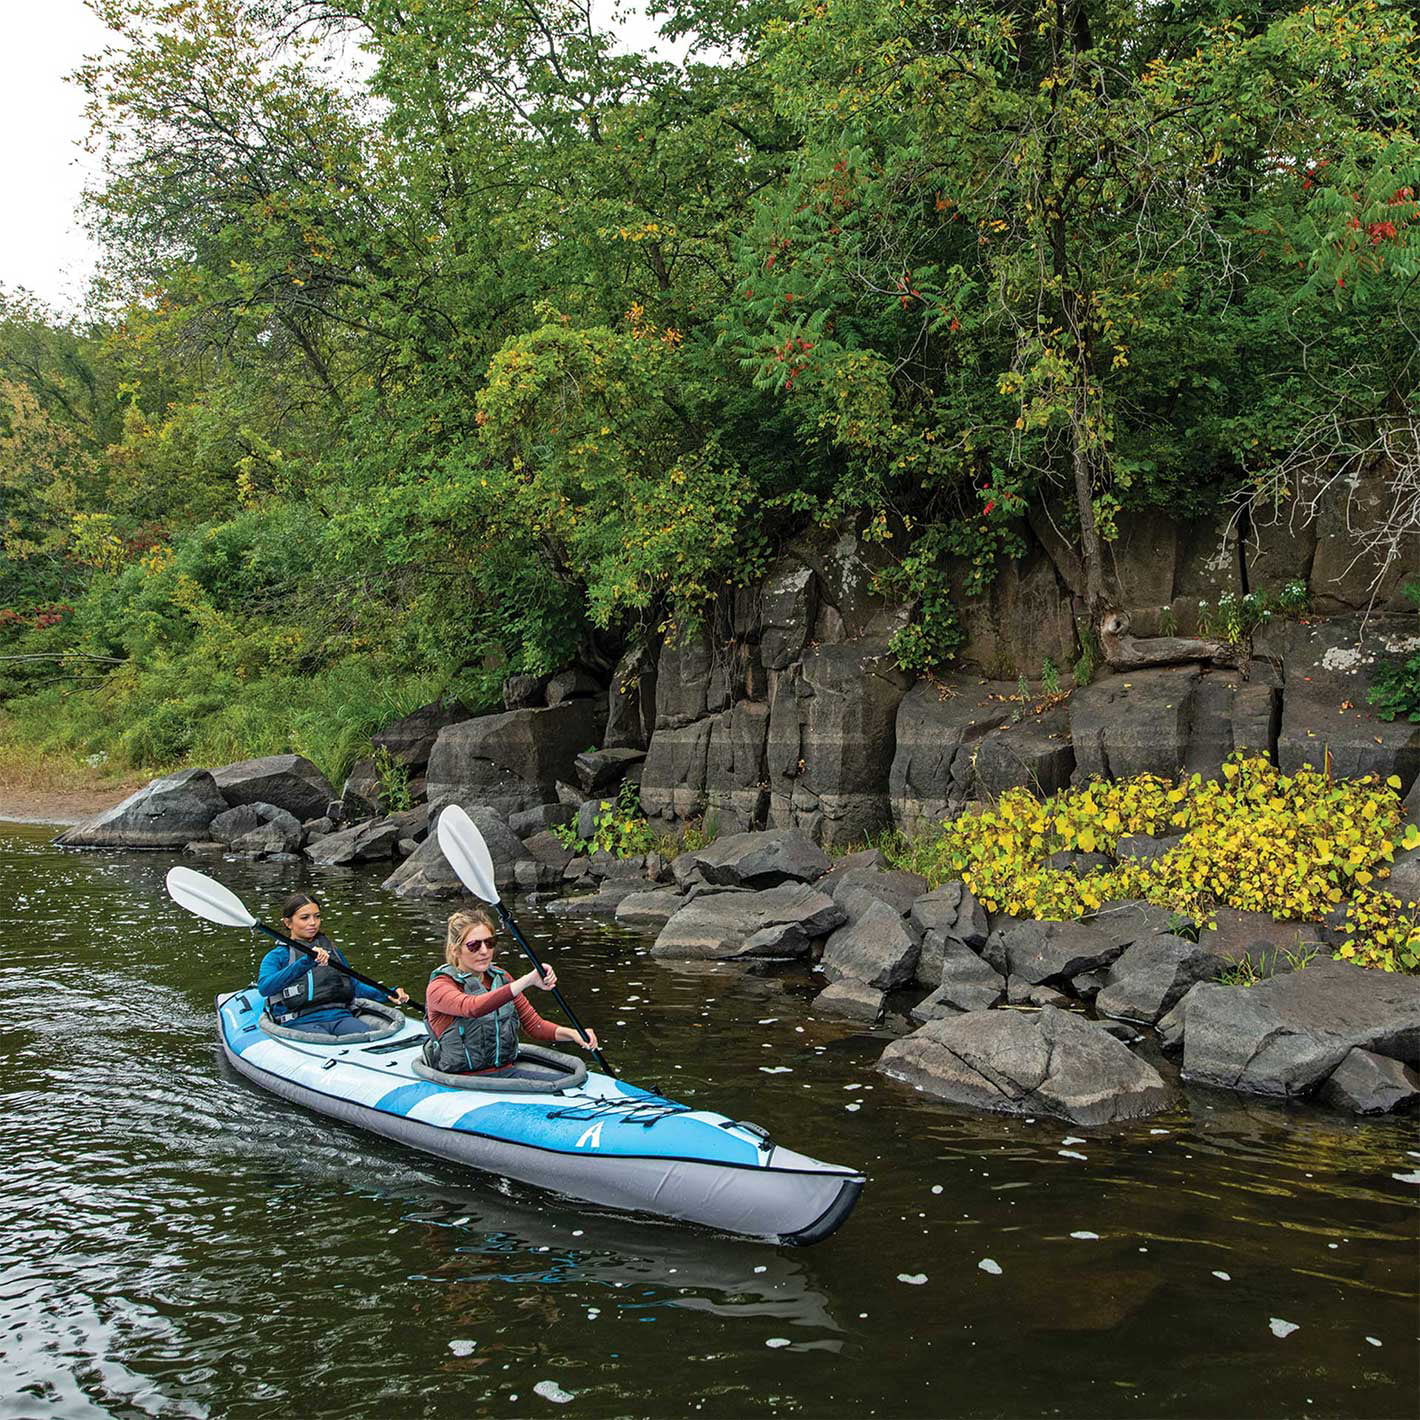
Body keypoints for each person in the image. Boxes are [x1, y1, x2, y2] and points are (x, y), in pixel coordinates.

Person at [424, 909, 599, 1075]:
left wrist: (573, 1034)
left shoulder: (501, 978)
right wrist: (528, 980)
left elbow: (534, 1026)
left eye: (489, 943)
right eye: (474, 945)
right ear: (456, 950)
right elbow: (472, 1008)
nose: (484, 951)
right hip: (461, 1079)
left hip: (504, 1072)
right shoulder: (440, 986)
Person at [258, 893, 409, 1036]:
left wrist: (388, 994)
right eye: (304, 918)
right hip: (299, 1020)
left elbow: (354, 985)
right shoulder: (277, 956)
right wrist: (305, 962)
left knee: (368, 1036)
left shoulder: (331, 951)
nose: (313, 923)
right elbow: (265, 988)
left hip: (340, 1017)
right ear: (288, 922)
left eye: (317, 917)